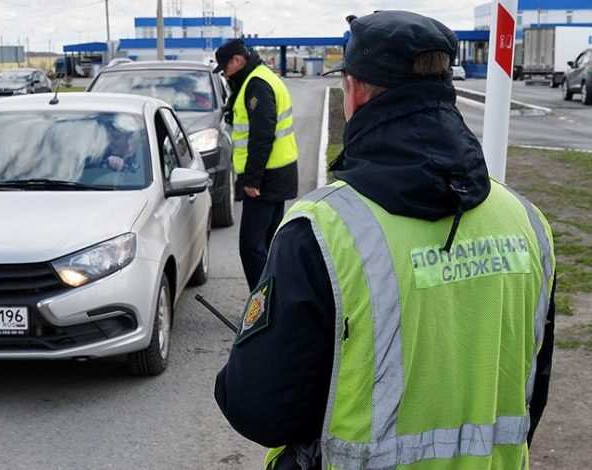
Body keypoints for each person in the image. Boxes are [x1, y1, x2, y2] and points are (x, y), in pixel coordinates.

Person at [214, 11, 556, 470]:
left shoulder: (322, 231)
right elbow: (532, 390)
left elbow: (257, 409)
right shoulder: (528, 223)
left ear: (352, 91)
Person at [213, 38, 299, 291]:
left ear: (238, 61)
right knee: (266, 245)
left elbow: (262, 135)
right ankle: (275, 305)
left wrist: (251, 180)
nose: (225, 73)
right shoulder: (260, 77)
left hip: (265, 177)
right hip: (277, 173)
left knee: (251, 247)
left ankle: (263, 308)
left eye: (225, 67)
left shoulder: (256, 85)